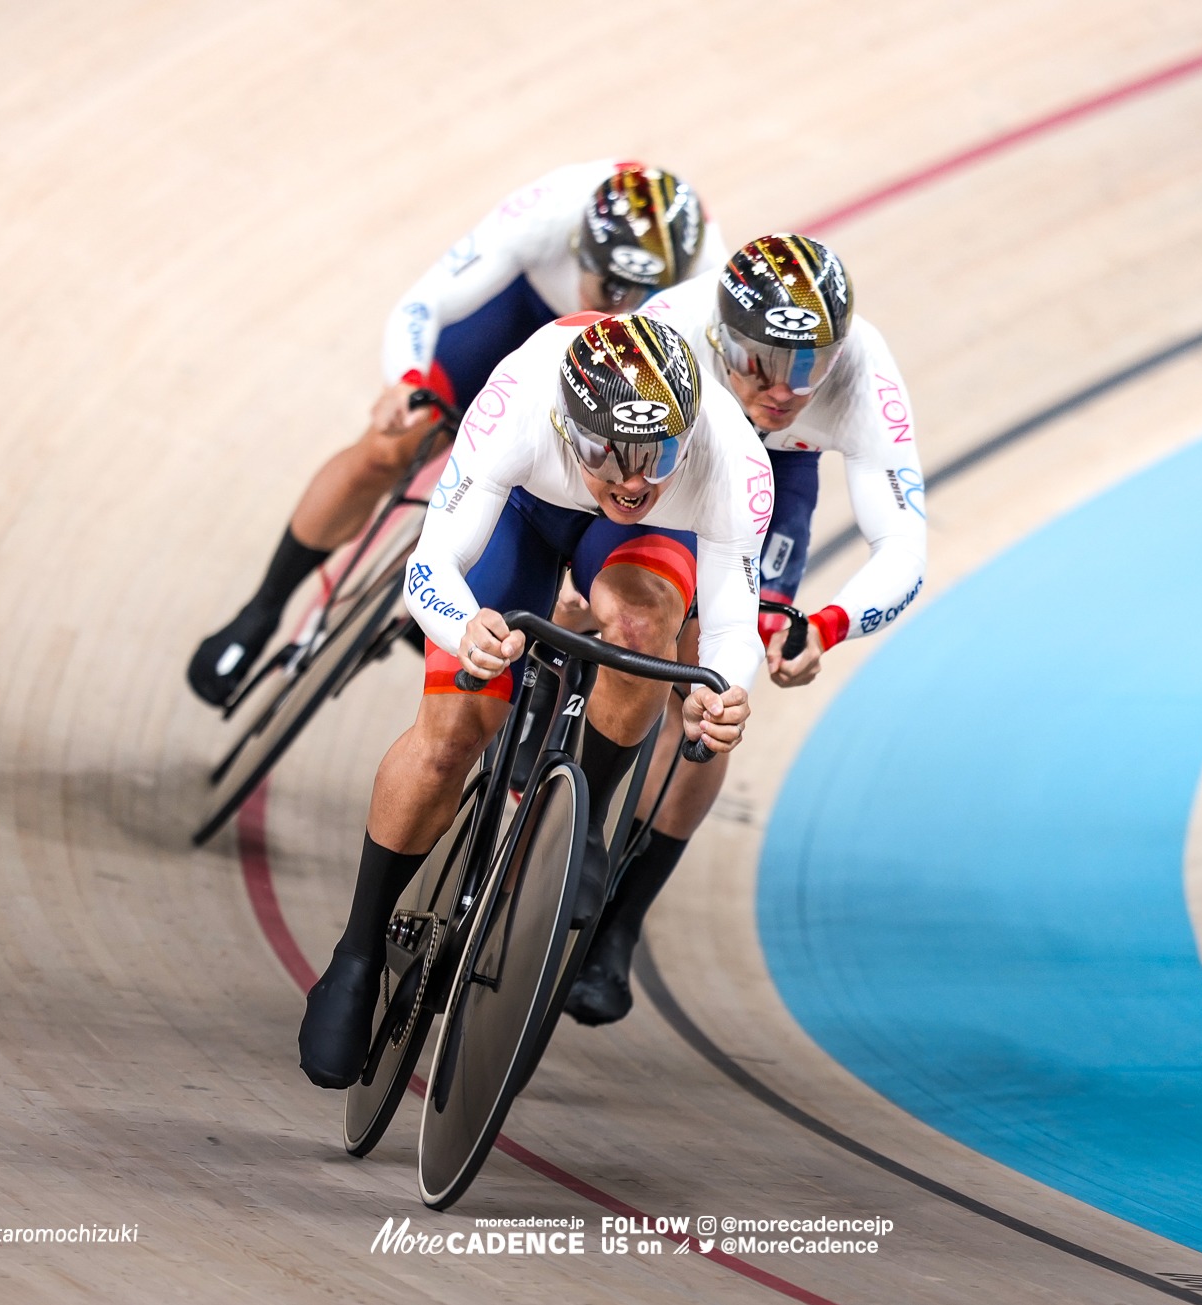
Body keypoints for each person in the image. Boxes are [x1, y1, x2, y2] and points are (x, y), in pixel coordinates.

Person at [296, 313, 770, 1089]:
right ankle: (357, 947)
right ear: (565, 423)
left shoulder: (731, 460)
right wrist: (464, 624)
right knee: (453, 734)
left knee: (646, 626)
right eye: (607, 456)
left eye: (659, 457)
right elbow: (433, 563)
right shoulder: (519, 398)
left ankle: (575, 817)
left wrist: (724, 689)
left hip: (638, 545)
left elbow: (727, 624)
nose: (633, 480)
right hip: (524, 509)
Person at [187, 162, 721, 705]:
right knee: (389, 447)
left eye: (639, 293)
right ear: (578, 248)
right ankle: (263, 607)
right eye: (609, 285)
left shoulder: (704, 280)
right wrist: (407, 382)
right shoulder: (545, 214)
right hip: (519, 318)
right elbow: (424, 304)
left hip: (611, 375)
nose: (618, 304)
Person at [564, 233, 928, 1025]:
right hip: (668, 462)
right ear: (723, 335)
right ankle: (560, 771)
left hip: (776, 478)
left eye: (810, 366)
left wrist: (828, 624)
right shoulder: (678, 324)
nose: (788, 389)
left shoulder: (863, 368)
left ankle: (618, 928)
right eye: (763, 360)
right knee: (608, 609)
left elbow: (904, 545)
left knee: (714, 686)